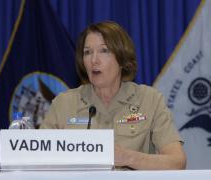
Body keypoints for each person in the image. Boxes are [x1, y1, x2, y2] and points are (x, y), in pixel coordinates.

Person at [40, 21, 186, 170]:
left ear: (122, 58)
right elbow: (37, 159)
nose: (94, 60)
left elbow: (177, 162)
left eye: (104, 51)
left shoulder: (149, 100)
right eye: (87, 52)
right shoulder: (64, 103)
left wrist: (128, 158)